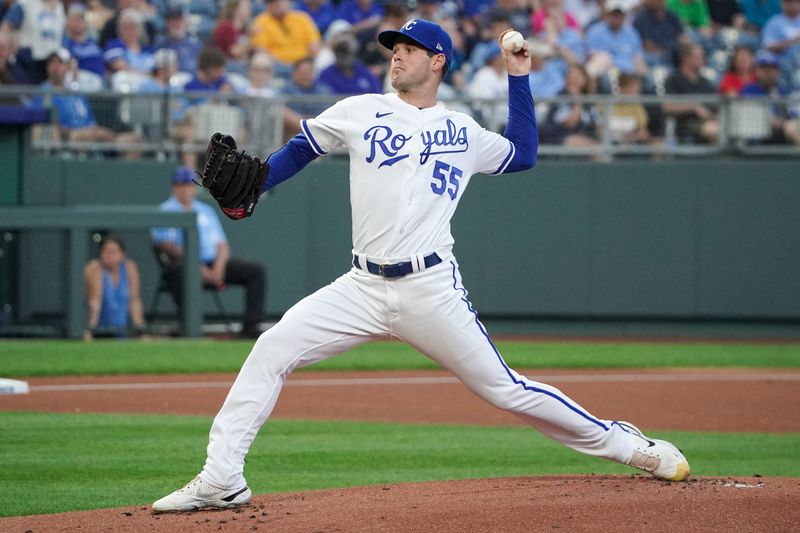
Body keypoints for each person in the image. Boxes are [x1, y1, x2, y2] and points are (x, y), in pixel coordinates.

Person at [151, 18, 690, 514]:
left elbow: (523, 153)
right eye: (394, 48)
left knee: (505, 389)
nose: (397, 56)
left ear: (438, 62)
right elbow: (298, 150)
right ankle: (222, 477)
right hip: (361, 286)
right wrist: (256, 187)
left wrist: (518, 75)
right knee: (271, 349)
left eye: (410, 49)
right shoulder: (360, 110)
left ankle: (627, 444)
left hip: (432, 288)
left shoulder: (462, 131)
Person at [151, 166, 267, 339]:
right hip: (183, 265)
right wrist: (195, 265)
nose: (185, 189)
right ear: (174, 188)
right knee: (178, 273)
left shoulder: (205, 210)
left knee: (256, 271)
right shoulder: (165, 210)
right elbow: (164, 245)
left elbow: (221, 244)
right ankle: (188, 328)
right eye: (181, 185)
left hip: (213, 263)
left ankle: (250, 327)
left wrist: (219, 267)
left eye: (189, 185)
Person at [83, 234, 145, 339]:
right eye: (105, 251)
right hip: (100, 332)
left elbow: (134, 302)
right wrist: (90, 332)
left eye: (113, 252)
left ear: (122, 255)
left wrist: (141, 332)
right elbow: (94, 302)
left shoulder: (130, 268)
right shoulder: (95, 269)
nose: (108, 255)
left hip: (123, 332)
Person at [663, 41, 720, 143]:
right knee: (714, 130)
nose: (703, 59)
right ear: (686, 58)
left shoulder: (705, 82)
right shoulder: (673, 80)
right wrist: (694, 107)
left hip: (707, 121)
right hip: (684, 124)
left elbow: (715, 105)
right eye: (699, 56)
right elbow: (667, 106)